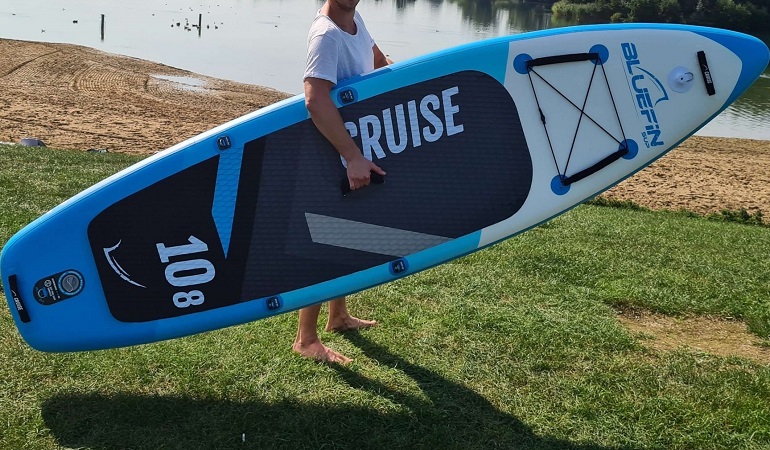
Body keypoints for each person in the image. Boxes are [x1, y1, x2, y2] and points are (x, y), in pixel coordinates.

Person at [294, 0, 392, 364]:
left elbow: (380, 65)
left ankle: (338, 316)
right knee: (325, 241)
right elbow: (315, 99)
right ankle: (305, 338)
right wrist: (351, 156)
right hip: (334, 151)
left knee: (346, 236)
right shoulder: (326, 34)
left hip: (357, 144)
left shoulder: (355, 21)